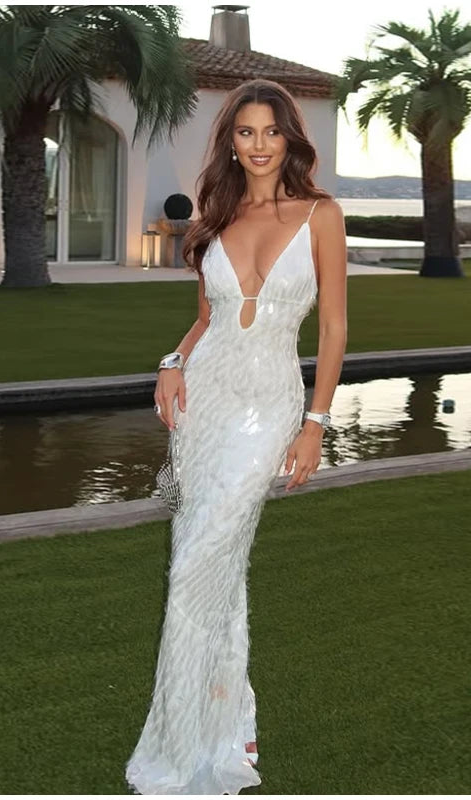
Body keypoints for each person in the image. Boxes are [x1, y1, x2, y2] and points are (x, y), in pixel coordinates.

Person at [125, 78, 347, 795]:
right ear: (230, 141)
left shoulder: (320, 214)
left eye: (271, 132)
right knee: (209, 566)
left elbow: (336, 328)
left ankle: (187, 741)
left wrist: (315, 423)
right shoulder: (213, 219)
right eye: (244, 132)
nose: (258, 145)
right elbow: (205, 319)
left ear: (291, 139)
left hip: (268, 407)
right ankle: (220, 729)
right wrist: (170, 363)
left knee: (198, 567)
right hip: (206, 406)